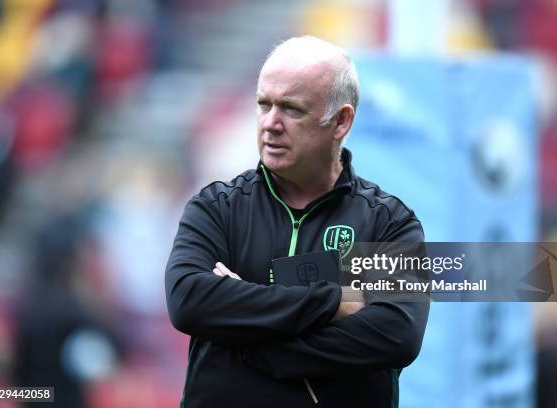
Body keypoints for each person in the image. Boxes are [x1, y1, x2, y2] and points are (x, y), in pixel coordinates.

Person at [165, 36, 429, 408]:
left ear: (341, 121)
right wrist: (334, 299)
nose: (271, 123)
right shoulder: (216, 208)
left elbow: (396, 333)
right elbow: (189, 300)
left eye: (291, 109)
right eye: (263, 104)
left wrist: (255, 342)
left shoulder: (389, 223)